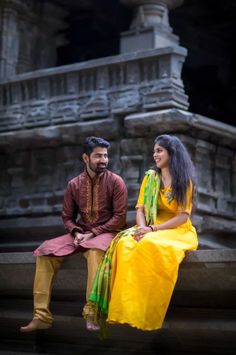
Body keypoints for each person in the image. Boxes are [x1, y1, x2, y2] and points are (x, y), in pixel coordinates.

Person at [83, 134, 198, 331]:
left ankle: (144, 313)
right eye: (154, 151)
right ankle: (122, 310)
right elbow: (140, 210)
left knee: (150, 244)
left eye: (159, 150)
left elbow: (182, 217)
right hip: (150, 227)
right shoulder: (151, 178)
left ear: (172, 153)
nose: (155, 155)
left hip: (176, 230)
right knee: (125, 244)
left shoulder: (184, 181)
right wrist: (142, 229)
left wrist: (151, 230)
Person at [20, 136, 128, 332]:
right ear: (85, 158)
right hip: (82, 233)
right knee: (44, 251)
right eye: (98, 156)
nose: (103, 160)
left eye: (105, 156)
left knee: (94, 252)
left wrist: (93, 233)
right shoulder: (74, 184)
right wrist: (77, 231)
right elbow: (67, 217)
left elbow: (120, 218)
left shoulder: (116, 181)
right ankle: (41, 315)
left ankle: (92, 313)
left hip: (109, 232)